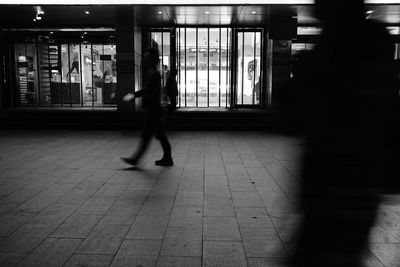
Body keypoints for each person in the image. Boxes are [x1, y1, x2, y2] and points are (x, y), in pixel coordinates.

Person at [288, 0, 400, 266]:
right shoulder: (374, 41)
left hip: (338, 180)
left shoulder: (338, 47)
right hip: (354, 183)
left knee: (327, 251)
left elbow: (296, 118)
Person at [121, 48, 173, 167]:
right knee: (159, 135)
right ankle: (167, 158)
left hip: (155, 110)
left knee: (148, 135)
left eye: (147, 57)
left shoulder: (154, 73)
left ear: (151, 59)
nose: (144, 59)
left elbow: (149, 91)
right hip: (156, 109)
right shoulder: (153, 72)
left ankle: (136, 159)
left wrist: (133, 95)